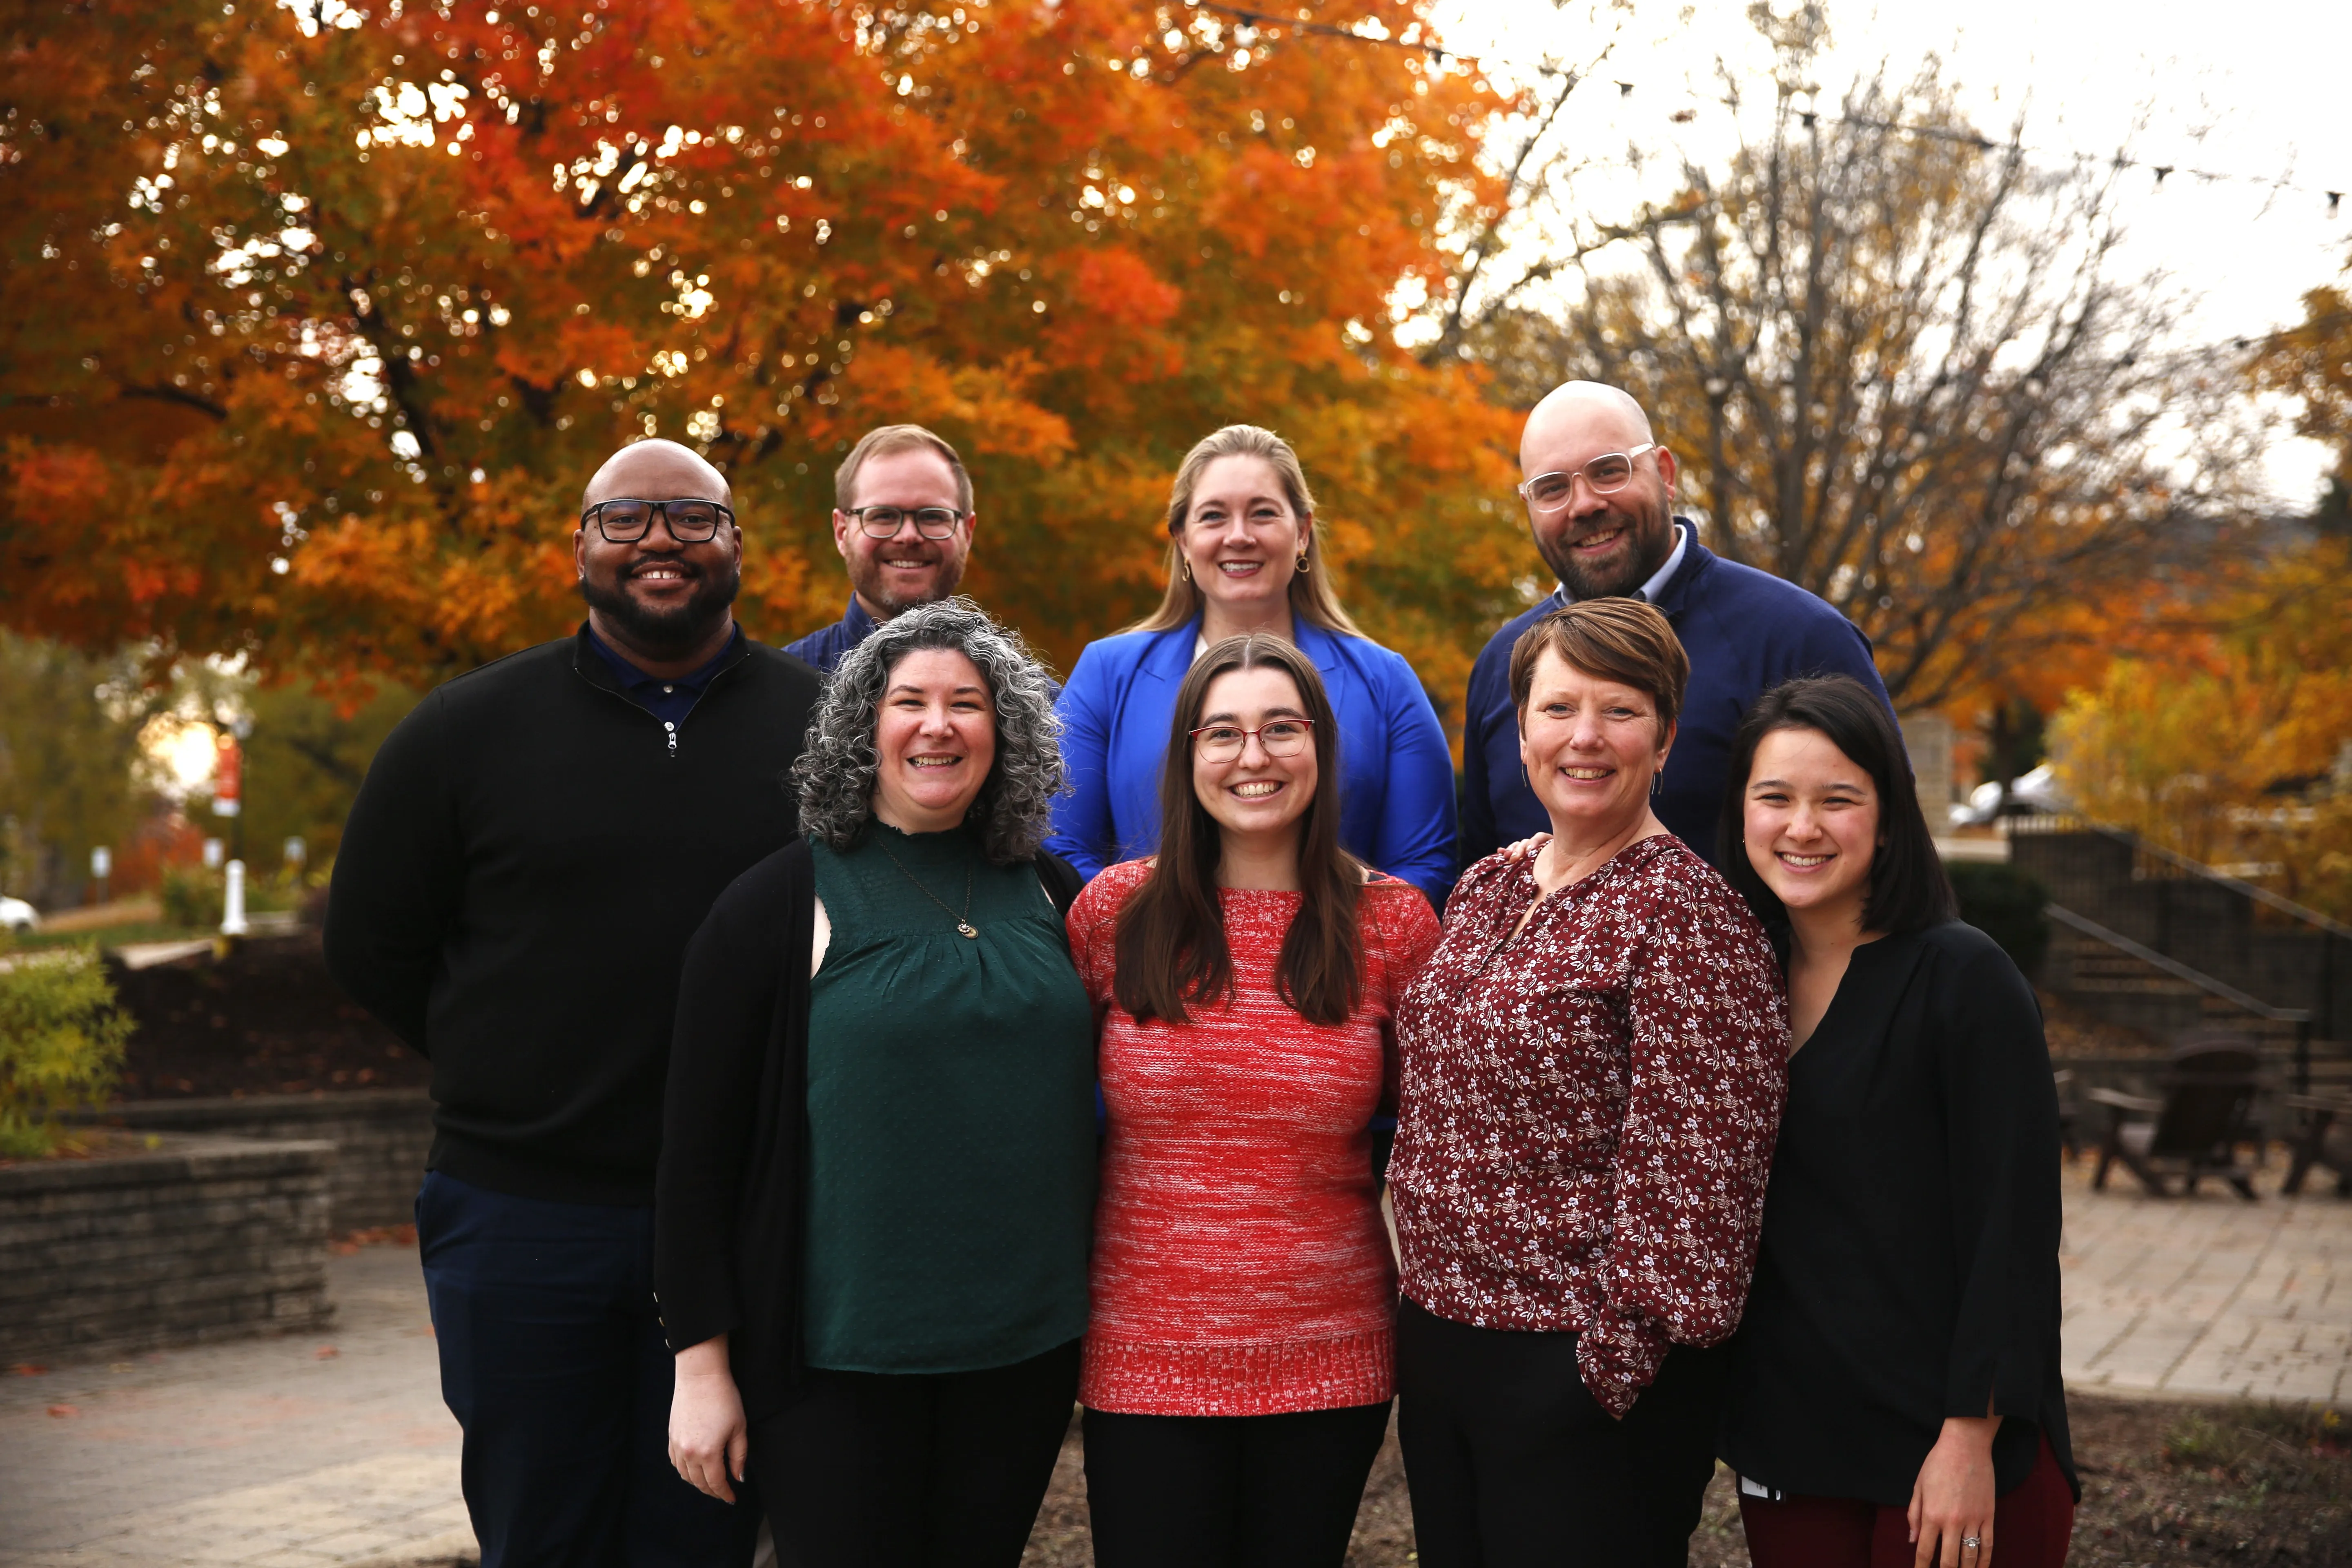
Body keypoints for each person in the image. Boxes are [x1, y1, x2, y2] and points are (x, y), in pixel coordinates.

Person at [325, 439, 820, 1567]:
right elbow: (369, 945)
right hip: (517, 1214)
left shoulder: (822, 730)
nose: (660, 539)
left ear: (738, 546)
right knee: (539, 1532)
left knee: (701, 1536)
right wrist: (506, 1058)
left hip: (739, 1220)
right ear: (580, 551)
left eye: (693, 519)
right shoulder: (463, 731)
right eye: (625, 518)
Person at [657, 598, 1096, 1568]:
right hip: (833, 1365)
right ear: (864, 727)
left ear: (1004, 731)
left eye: (966, 703)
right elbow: (695, 1157)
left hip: (1019, 1352)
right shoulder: (774, 904)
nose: (936, 724)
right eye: (908, 701)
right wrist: (701, 1365)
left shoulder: (1053, 892)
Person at [1388, 598, 1788, 1568]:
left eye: (1617, 709)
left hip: (1578, 1373)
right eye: (1557, 707)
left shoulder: (1688, 916)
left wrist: (1600, 1371)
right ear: (1518, 729)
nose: (1583, 736)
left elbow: (1701, 1185)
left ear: (1664, 735)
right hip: (1443, 1349)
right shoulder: (1488, 886)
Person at [1066, 633, 1443, 1568]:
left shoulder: (1391, 923)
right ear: (1185, 753)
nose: (1252, 756)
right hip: (1143, 1350)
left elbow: (1438, 1146)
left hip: (1327, 1352)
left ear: (1320, 746)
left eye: (1281, 728)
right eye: (1222, 732)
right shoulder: (1114, 913)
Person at [1715, 676, 2077, 1568]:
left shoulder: (1964, 979)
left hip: (1949, 1449)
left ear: (1888, 817)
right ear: (1742, 812)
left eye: (1838, 800)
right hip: (1793, 1443)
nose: (1802, 828)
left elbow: (2015, 1231)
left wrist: (1969, 1441)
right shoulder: (1731, 979)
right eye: (1776, 798)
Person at [1459, 381, 1893, 869]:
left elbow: (1885, 846)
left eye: (1608, 472)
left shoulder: (1799, 638)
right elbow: (1476, 862)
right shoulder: (1502, 663)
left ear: (1665, 474)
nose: (1584, 505)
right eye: (1553, 488)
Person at [1047, 425, 1456, 909]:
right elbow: (1060, 851)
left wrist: (1313, 940)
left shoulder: (1385, 680)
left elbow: (1426, 866)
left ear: (1302, 532)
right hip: (1149, 966)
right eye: (1214, 516)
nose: (1238, 537)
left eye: (1263, 514)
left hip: (1334, 969)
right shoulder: (1107, 675)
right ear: (1182, 539)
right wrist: (1165, 933)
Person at [785, 423, 979, 673]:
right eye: (884, 516)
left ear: (967, 532)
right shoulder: (778, 691)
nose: (908, 536)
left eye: (932, 517)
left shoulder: (1033, 700)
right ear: (842, 532)